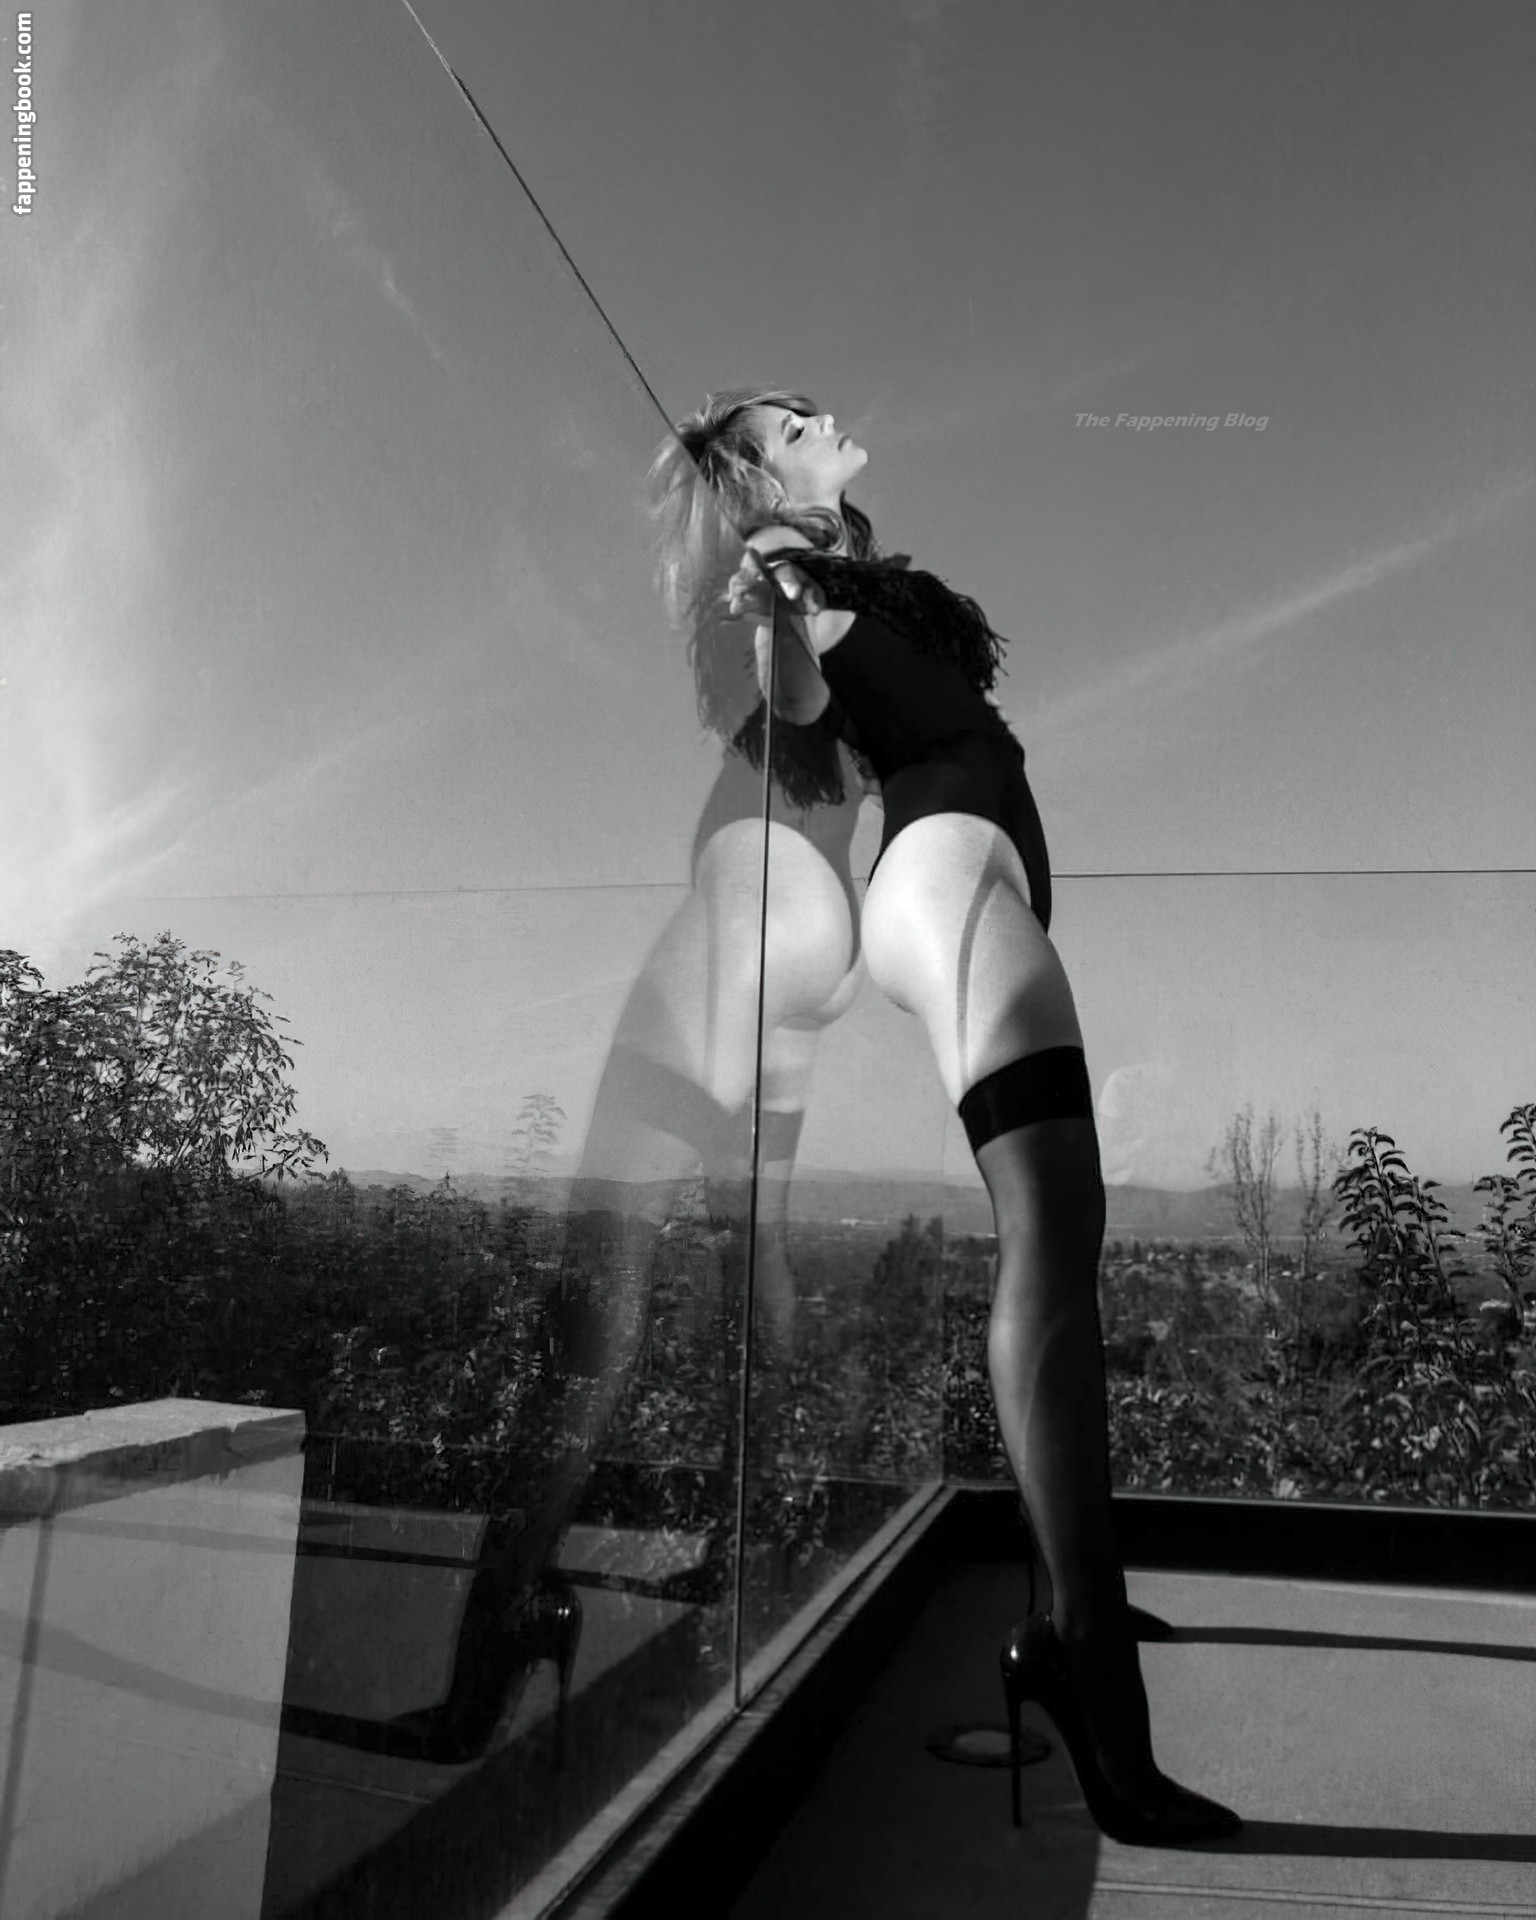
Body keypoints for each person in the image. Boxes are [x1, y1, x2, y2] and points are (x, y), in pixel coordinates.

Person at [679, 388, 1241, 1847]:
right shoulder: (787, 579)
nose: (825, 411)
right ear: (762, 475)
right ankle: (1088, 1669)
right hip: (943, 881)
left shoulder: (841, 571)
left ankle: (1070, 1595)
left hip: (970, 880)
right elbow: (801, 706)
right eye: (792, 419)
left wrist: (801, 578)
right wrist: (765, 593)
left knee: (1061, 1237)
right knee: (1052, 1239)